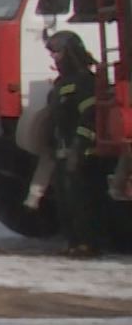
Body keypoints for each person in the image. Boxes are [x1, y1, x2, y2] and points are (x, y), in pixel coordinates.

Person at [47, 31, 108, 258]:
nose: (55, 58)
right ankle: (73, 242)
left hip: (84, 154)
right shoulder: (61, 83)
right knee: (65, 200)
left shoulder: (85, 81)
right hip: (62, 152)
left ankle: (88, 244)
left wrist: (78, 148)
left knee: (84, 199)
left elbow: (90, 116)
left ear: (71, 52)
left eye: (58, 52)